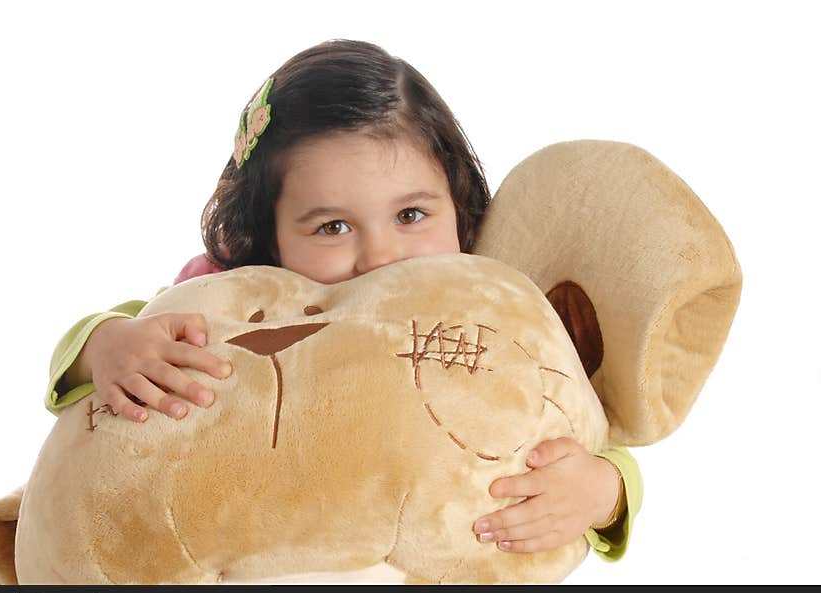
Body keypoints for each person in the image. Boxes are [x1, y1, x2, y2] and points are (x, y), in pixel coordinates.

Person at [45, 39, 641, 564]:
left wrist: (602, 490)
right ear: (268, 233)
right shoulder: (229, 297)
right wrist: (105, 345)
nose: (381, 256)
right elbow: (122, 346)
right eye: (332, 227)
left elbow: (587, 420)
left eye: (411, 214)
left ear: (458, 205)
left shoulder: (489, 308)